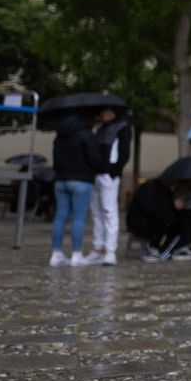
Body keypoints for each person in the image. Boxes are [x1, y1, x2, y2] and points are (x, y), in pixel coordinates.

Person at [50, 115, 102, 266]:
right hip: (82, 181)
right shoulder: (87, 136)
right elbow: (94, 160)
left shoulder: (59, 137)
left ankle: (56, 253)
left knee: (60, 217)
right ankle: (76, 254)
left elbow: (56, 160)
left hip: (61, 181)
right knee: (78, 217)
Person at [88, 107, 132, 264]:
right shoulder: (101, 129)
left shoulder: (122, 127)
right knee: (97, 212)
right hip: (97, 174)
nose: (102, 114)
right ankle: (98, 248)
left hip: (108, 174)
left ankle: (110, 250)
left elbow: (124, 153)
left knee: (109, 210)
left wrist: (114, 171)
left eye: (106, 111)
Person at [129, 176, 191, 262]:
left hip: (159, 220)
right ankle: (159, 249)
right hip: (141, 221)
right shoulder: (149, 188)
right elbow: (150, 208)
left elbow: (173, 208)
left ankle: (183, 247)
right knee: (168, 219)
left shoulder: (167, 191)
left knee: (188, 217)